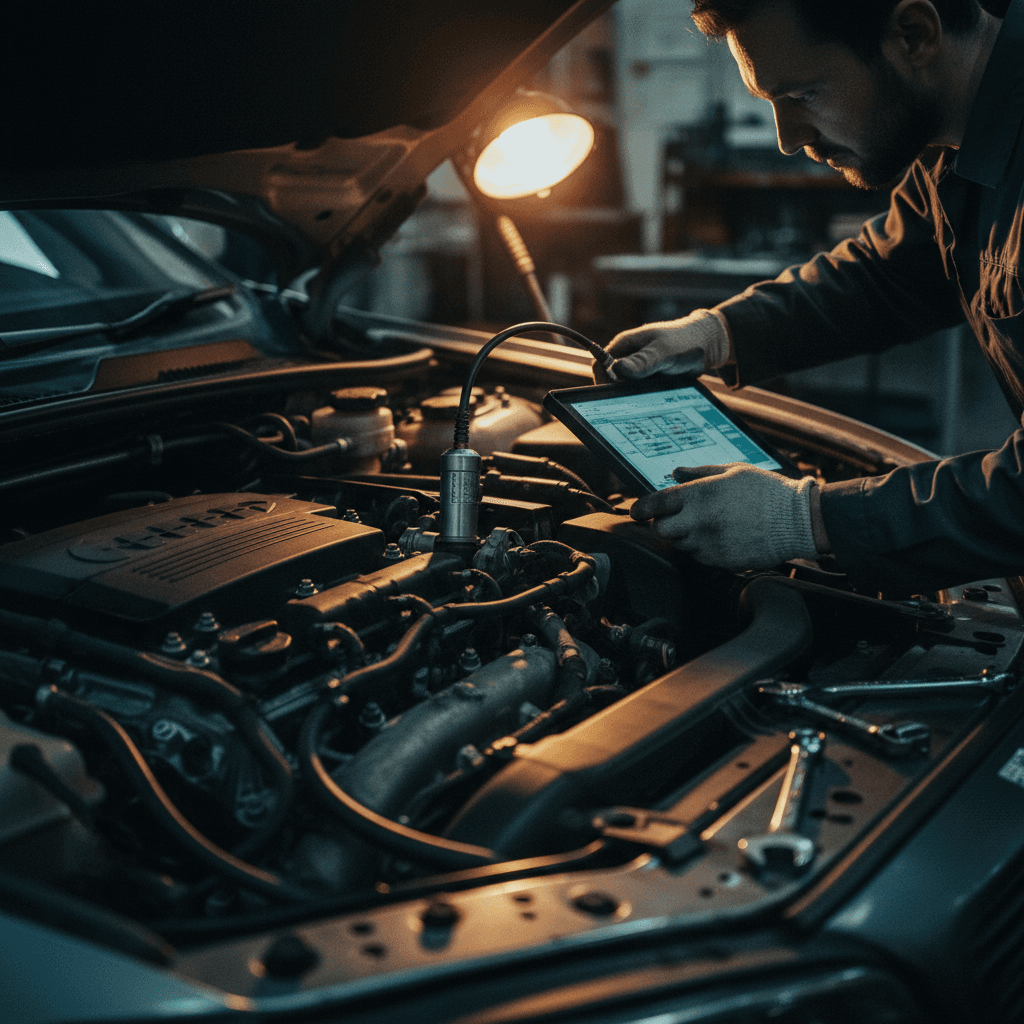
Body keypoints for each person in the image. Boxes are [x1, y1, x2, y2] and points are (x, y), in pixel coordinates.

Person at [603, 0, 1021, 594]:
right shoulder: (953, 129)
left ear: (914, 33)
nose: (787, 140)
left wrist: (805, 520)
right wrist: (718, 333)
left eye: (801, 97)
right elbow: (889, 273)